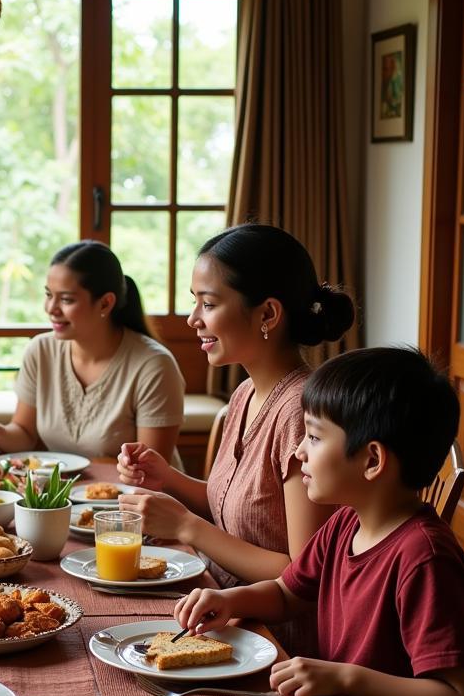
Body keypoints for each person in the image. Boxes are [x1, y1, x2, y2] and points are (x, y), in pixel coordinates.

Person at [145, 347, 464, 696]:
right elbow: (288, 592)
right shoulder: (346, 524)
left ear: (371, 461)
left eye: (315, 436)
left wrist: (346, 677)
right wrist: (233, 600)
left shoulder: (424, 559)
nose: (298, 451)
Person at [117, 224, 356, 654]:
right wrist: (167, 478)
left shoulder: (302, 415)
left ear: (267, 314)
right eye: (194, 302)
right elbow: (241, 508)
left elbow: (300, 574)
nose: (193, 319)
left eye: (207, 303)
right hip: (220, 611)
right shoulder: (246, 392)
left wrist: (186, 526)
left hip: (279, 645)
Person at [0, 240, 185, 462]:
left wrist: (70, 470)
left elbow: (149, 469)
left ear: (105, 304)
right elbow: (24, 433)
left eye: (66, 299)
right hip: (67, 492)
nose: (51, 309)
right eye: (49, 295)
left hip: (137, 495)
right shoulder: (40, 350)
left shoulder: (154, 366)